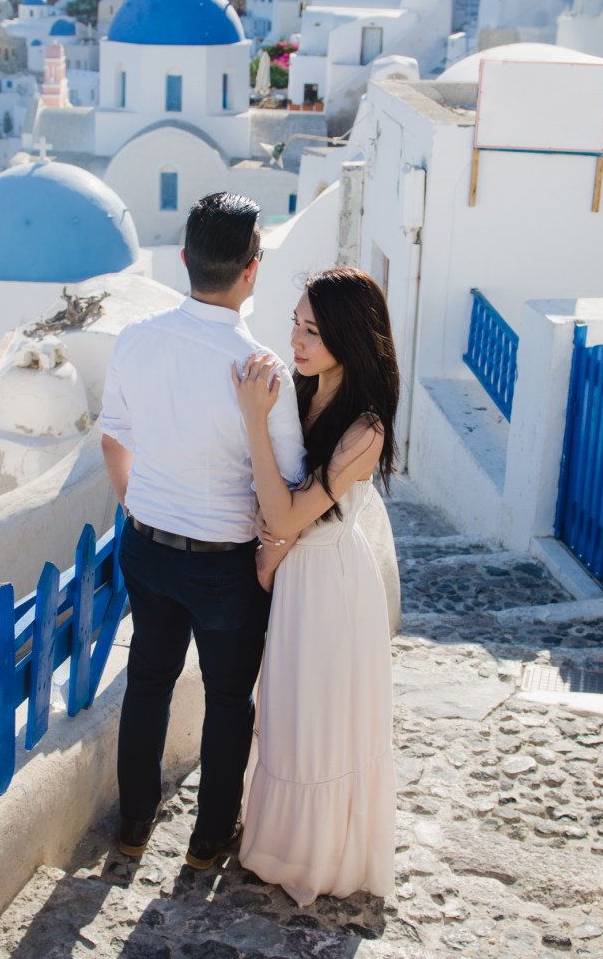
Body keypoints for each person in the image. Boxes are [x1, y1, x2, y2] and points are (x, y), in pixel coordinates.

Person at [99, 192, 305, 870]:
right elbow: (289, 483)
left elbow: (114, 441)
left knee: (148, 683)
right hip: (225, 564)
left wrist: (140, 507)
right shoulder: (264, 371)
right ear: (253, 270)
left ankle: (132, 826)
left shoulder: (136, 340)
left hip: (148, 547)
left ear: (186, 260)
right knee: (226, 701)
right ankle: (209, 838)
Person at [231, 266, 399, 907]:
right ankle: (280, 843)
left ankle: (322, 855)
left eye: (313, 331)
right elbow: (271, 505)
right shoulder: (302, 396)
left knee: (323, 720)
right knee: (288, 715)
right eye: (295, 325)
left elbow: (286, 513)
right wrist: (274, 556)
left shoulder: (366, 429)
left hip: (333, 585)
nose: (296, 342)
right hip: (299, 578)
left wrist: (254, 421)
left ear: (350, 340)